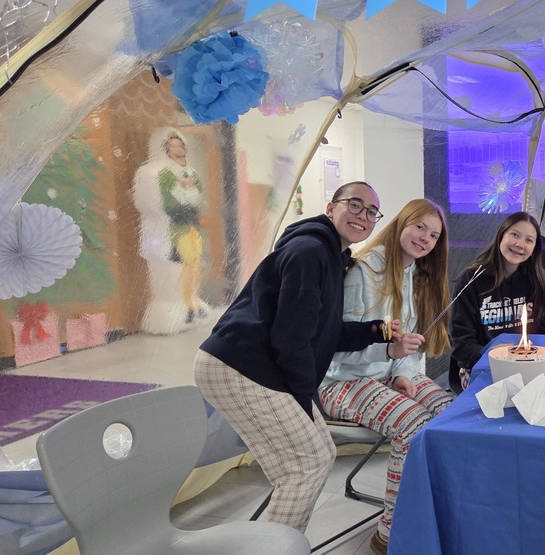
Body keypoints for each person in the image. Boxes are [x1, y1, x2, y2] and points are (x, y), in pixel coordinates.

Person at [194, 182, 413, 533]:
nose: (363, 216)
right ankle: (277, 546)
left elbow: (321, 332)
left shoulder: (333, 258)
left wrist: (375, 331)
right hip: (238, 366)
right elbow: (291, 338)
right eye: (354, 205)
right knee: (308, 462)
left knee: (317, 455)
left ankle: (277, 540)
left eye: (372, 212)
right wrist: (302, 398)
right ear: (331, 207)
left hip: (263, 366)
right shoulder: (310, 251)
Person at [319, 198, 454, 555]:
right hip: (341, 381)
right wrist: (388, 353)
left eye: (434, 235)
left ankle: (433, 513)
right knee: (413, 424)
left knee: (451, 414)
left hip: (382, 376)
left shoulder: (411, 275)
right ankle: (389, 534)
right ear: (400, 224)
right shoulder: (363, 270)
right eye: (419, 227)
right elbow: (335, 346)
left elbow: (405, 346)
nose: (425, 238)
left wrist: (402, 373)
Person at [448, 211, 545, 393]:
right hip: (481, 369)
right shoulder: (472, 280)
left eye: (529, 240)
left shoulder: (542, 285)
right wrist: (497, 362)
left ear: (534, 249)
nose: (519, 244)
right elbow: (461, 342)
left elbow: (544, 340)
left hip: (528, 369)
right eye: (514, 235)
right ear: (501, 236)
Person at [132, 128, 208, 334]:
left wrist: (189, 189)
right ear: (163, 148)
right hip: (169, 231)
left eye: (181, 145)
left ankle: (191, 303)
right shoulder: (154, 173)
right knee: (174, 267)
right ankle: (173, 306)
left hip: (191, 227)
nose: (178, 150)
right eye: (172, 146)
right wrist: (182, 189)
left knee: (192, 266)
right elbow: (157, 204)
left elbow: (198, 199)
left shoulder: (191, 173)